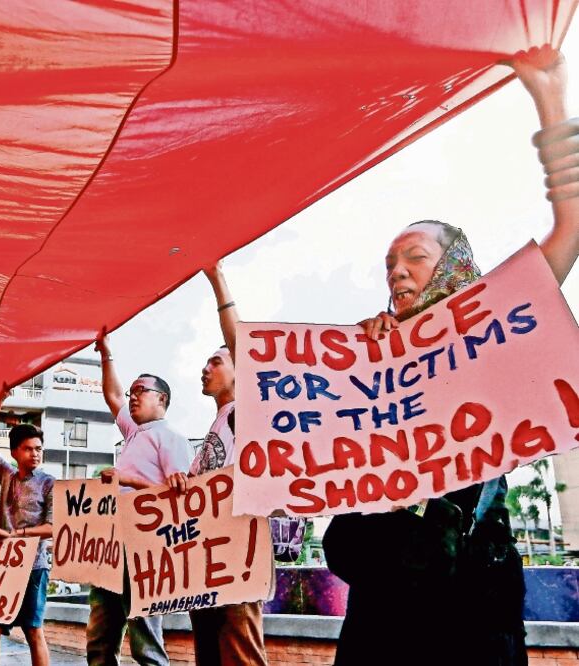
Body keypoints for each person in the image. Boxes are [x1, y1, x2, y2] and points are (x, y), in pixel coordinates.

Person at [323, 45, 579, 666]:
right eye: (390, 263)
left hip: (470, 599)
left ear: (455, 266)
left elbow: (570, 230)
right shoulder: (373, 354)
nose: (397, 271)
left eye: (415, 257)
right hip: (385, 600)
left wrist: (550, 100)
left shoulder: (493, 330)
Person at [164, 262, 269, 666]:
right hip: (205, 558)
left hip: (239, 553)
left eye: (216, 361)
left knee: (240, 652)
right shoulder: (215, 427)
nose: (205, 369)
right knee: (209, 653)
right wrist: (181, 481)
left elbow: (241, 343)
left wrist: (217, 278)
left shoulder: (251, 410)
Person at [88, 334, 195, 666]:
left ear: (161, 398)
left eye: (140, 391)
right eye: (132, 392)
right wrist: (106, 354)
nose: (132, 397)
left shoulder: (172, 439)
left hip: (145, 548)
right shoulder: (135, 433)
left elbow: (177, 499)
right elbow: (112, 395)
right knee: (99, 638)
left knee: (144, 641)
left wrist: (128, 480)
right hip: (112, 544)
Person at [0, 391, 54, 666]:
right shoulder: (6, 475)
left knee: (33, 631)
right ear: (14, 453)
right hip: (0, 565)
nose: (35, 454)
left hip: (34, 567)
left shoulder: (49, 483)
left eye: (39, 449)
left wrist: (15, 535)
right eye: (29, 449)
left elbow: (52, 527)